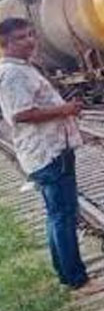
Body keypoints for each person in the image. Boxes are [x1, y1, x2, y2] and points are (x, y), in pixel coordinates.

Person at [0, 16, 98, 291]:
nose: (29, 41)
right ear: (4, 43)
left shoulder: (23, 68)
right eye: (21, 37)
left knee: (59, 214)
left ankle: (67, 275)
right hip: (47, 152)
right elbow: (21, 114)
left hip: (52, 148)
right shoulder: (13, 74)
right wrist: (64, 109)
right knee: (63, 215)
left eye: (31, 34)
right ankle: (76, 279)